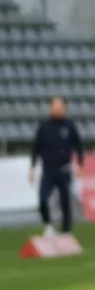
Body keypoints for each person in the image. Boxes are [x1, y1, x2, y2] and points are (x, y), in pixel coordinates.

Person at [30, 96, 83, 236]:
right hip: (48, 169)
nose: (57, 109)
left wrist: (80, 163)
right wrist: (32, 167)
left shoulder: (69, 126)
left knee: (65, 200)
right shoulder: (44, 126)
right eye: (54, 106)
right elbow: (36, 147)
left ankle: (66, 230)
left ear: (64, 108)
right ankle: (48, 224)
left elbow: (78, 146)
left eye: (60, 106)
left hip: (64, 169)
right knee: (43, 199)